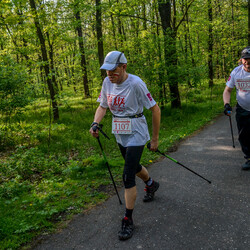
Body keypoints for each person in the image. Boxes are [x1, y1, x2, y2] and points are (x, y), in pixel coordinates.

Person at [89, 51, 161, 240]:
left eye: (114, 71)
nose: (110, 75)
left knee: (128, 175)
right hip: (120, 131)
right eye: (107, 71)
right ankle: (151, 184)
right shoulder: (107, 83)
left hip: (136, 131)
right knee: (135, 167)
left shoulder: (136, 84)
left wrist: (154, 139)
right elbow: (103, 106)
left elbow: (155, 109)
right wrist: (95, 122)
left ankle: (127, 220)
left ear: (124, 67)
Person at [223, 46, 250, 170]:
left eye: (249, 58)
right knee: (243, 135)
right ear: (241, 60)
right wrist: (226, 104)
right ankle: (249, 158)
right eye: (245, 59)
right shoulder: (236, 72)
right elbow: (227, 90)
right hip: (242, 109)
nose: (247, 61)